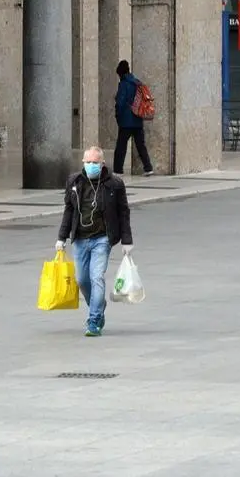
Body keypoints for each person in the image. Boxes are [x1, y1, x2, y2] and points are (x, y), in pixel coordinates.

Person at [56, 146, 134, 336]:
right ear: (83, 163)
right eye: (88, 162)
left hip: (102, 238)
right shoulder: (74, 182)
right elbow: (69, 211)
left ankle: (94, 320)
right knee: (82, 280)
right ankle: (98, 305)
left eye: (95, 162)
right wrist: (61, 237)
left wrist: (127, 240)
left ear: (102, 164)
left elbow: (123, 212)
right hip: (81, 238)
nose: (91, 165)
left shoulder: (114, 184)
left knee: (96, 277)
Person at [113, 59, 154, 176]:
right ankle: (148, 167)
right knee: (141, 145)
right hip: (137, 119)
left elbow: (120, 103)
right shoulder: (137, 82)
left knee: (121, 146)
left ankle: (118, 170)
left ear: (120, 73)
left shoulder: (124, 84)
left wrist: (118, 116)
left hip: (126, 121)